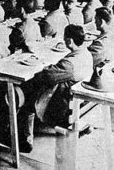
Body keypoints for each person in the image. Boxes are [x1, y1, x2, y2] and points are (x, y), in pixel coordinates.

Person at [17, 24, 93, 153]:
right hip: (79, 98)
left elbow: (46, 76)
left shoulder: (69, 64)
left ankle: (26, 141)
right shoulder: (86, 53)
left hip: (63, 102)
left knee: (27, 96)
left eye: (65, 38)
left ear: (69, 41)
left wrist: (44, 68)